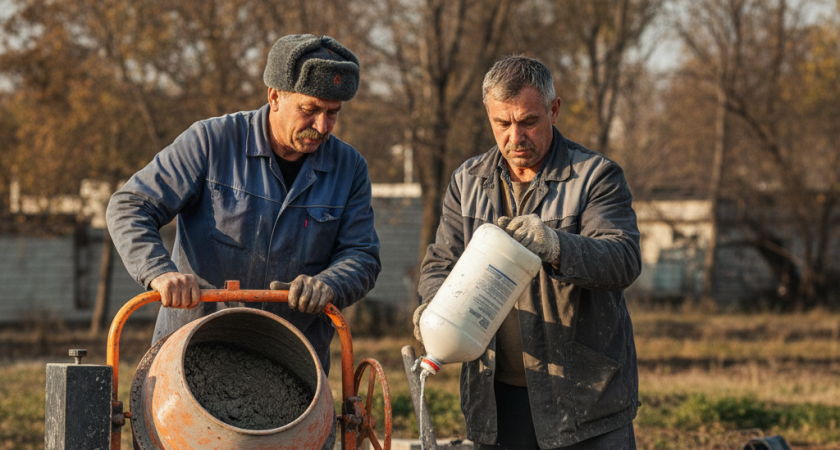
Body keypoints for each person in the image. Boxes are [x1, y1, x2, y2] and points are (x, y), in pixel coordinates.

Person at [107, 34, 381, 375]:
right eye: (310, 110)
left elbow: (362, 255)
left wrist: (330, 283)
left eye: (333, 114)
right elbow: (130, 206)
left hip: (290, 366)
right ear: (275, 96)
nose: (321, 126)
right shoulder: (211, 142)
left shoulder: (349, 168)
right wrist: (160, 273)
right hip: (192, 354)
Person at [414, 55, 641, 449]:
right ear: (488, 113)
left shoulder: (594, 176)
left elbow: (622, 259)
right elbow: (441, 263)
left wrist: (556, 246)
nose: (515, 137)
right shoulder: (467, 181)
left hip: (586, 402)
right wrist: (433, 308)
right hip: (496, 399)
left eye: (528, 122)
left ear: (554, 110)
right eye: (502, 123)